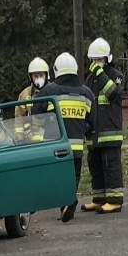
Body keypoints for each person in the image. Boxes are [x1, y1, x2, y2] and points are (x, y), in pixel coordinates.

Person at [44, 52, 93, 222]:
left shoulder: (49, 91)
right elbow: (92, 120)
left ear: (56, 70)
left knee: (57, 177)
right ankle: (69, 202)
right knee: (74, 176)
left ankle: (67, 202)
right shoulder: (86, 93)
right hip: (77, 147)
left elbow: (37, 115)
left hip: (55, 146)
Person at [82, 37, 126, 213]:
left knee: (111, 166)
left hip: (110, 131)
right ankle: (99, 198)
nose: (95, 63)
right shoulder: (90, 79)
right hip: (94, 132)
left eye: (98, 59)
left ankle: (115, 200)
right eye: (92, 60)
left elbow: (113, 93)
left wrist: (101, 75)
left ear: (107, 59)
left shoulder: (116, 75)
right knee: (96, 166)